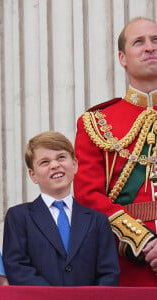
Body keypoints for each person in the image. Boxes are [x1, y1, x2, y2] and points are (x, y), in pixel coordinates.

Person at [74, 16, 157, 286]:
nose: (150, 47)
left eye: (156, 40)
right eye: (139, 42)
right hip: (126, 263)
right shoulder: (96, 122)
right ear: (123, 58)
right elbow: (87, 196)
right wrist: (143, 241)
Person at [2, 131, 120, 286]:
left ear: (75, 165)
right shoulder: (19, 217)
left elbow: (109, 272)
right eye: (44, 162)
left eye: (61, 157)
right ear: (33, 175)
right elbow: (17, 268)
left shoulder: (97, 220)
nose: (55, 165)